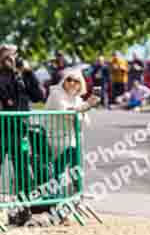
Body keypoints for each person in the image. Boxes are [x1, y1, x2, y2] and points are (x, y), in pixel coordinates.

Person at [0, 44, 45, 225]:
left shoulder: (22, 76)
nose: (12, 59)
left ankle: (23, 210)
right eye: (7, 56)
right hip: (1, 130)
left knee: (23, 171)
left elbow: (38, 96)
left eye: (14, 55)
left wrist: (28, 72)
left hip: (20, 131)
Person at [45, 67, 99, 192]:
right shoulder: (56, 94)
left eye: (76, 81)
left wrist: (85, 108)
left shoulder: (77, 99)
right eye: (69, 79)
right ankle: (63, 193)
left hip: (70, 139)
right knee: (70, 156)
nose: (72, 83)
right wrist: (85, 106)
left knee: (75, 157)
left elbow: (85, 122)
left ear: (81, 84)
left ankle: (75, 191)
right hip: (54, 137)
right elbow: (67, 113)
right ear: (63, 80)